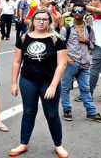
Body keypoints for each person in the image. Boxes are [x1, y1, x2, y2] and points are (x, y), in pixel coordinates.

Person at [10, 9, 68, 158]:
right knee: (29, 111)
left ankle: (58, 145)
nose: (41, 22)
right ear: (32, 21)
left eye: (44, 19)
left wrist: (53, 86)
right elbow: (17, 62)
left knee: (52, 114)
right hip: (28, 80)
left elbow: (62, 64)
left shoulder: (57, 39)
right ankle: (23, 143)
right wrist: (14, 83)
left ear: (50, 21)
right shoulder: (24, 38)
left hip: (48, 82)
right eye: (38, 19)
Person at [60, 2, 101, 123]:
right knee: (65, 88)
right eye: (75, 11)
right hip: (71, 63)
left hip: (85, 64)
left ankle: (91, 113)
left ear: (84, 13)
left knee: (85, 89)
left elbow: (93, 46)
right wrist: (67, 59)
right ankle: (67, 110)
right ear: (72, 13)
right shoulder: (66, 29)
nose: (77, 13)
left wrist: (87, 41)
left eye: (80, 11)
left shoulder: (89, 28)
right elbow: (60, 47)